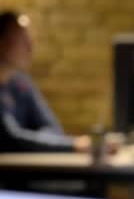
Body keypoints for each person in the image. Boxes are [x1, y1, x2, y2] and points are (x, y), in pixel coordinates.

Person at [0, 11, 90, 152]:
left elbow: (52, 127)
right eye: (23, 41)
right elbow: (9, 139)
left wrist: (34, 141)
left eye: (30, 41)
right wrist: (73, 146)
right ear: (3, 42)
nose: (30, 48)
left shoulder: (21, 83)